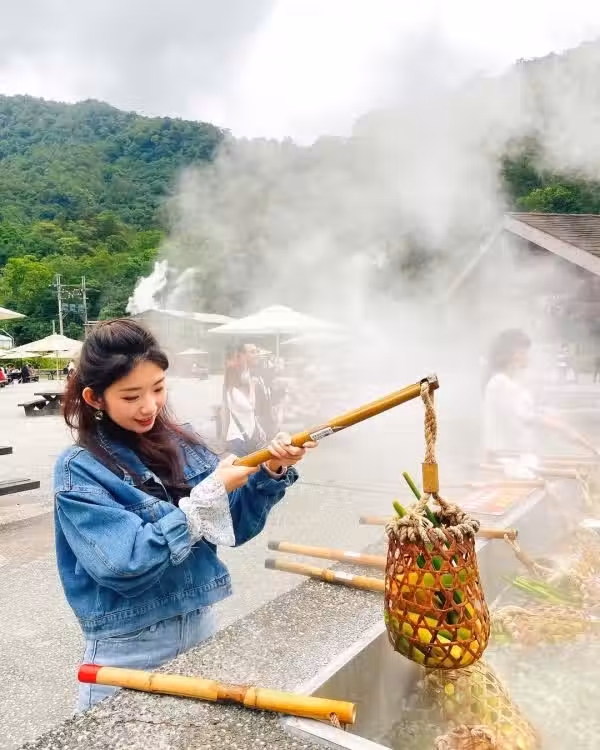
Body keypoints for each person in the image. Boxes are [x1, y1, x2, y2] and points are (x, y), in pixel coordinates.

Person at [54, 319, 315, 711]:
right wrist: (205, 498)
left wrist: (272, 470)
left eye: (158, 388)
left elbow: (233, 527)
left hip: (201, 627)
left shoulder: (184, 443)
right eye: (131, 396)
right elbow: (125, 564)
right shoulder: (79, 469)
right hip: (129, 648)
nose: (149, 406)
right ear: (94, 398)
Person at [482, 329, 597, 474]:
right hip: (512, 465)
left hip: (516, 460)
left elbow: (530, 417)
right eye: (524, 352)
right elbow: (535, 419)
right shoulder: (501, 384)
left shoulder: (504, 383)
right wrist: (568, 431)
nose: (528, 357)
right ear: (513, 354)